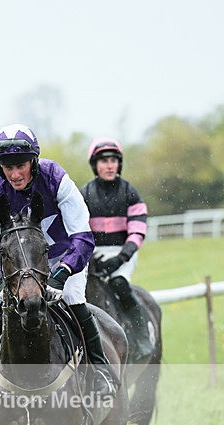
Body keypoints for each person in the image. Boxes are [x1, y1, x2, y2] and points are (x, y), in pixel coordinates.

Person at [0, 123, 116, 402]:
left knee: (73, 297)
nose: (14, 174)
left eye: (20, 166)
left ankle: (99, 371)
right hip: (17, 266)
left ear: (33, 162)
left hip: (63, 258)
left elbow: (83, 236)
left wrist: (61, 274)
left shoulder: (55, 177)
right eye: (7, 167)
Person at [81, 138, 153, 362]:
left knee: (119, 284)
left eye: (113, 160)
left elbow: (138, 231)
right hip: (92, 256)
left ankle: (141, 338)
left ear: (119, 164)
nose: (109, 165)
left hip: (122, 253)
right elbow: (79, 229)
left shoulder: (130, 192)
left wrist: (121, 257)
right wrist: (90, 255)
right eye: (104, 161)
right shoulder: (85, 194)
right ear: (95, 165)